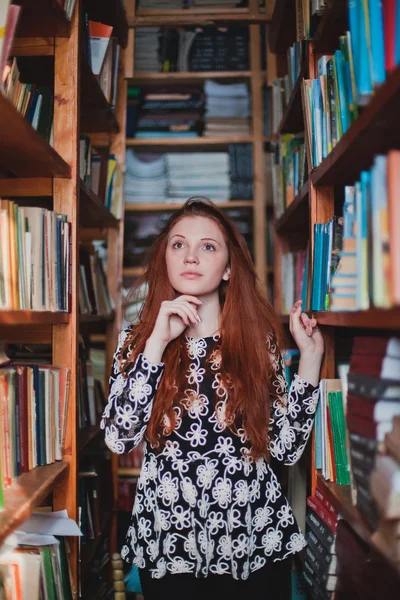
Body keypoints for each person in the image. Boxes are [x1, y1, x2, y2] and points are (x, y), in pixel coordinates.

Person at [101, 198, 324, 600]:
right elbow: (119, 438)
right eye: (177, 245)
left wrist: (310, 359)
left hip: (253, 535)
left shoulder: (259, 342)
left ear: (227, 268)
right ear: (165, 260)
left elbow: (286, 450)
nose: (190, 256)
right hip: (170, 537)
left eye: (207, 246)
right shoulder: (136, 342)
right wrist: (156, 343)